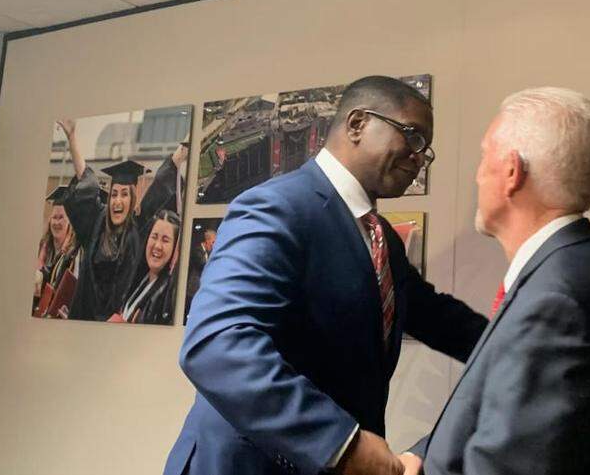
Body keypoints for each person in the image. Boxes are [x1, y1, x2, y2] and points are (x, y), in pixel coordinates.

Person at [165, 75, 488, 475]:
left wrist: (510, 342)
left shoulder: (381, 236)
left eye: (427, 148)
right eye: (412, 137)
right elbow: (217, 345)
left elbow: (434, 315)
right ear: (356, 124)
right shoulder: (277, 208)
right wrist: (340, 444)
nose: (420, 157)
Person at [401, 88, 590, 475]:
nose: (476, 174)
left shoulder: (556, 301)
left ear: (511, 172)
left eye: (484, 155)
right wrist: (424, 455)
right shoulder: (571, 269)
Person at [56, 119, 186, 321]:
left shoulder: (138, 227)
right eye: (114, 193)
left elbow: (158, 188)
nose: (118, 200)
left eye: (125, 194)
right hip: (82, 322)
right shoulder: (95, 225)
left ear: (133, 199)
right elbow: (86, 182)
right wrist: (72, 138)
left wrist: (181, 152)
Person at [115, 209, 181, 325]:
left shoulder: (167, 299)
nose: (157, 246)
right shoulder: (138, 278)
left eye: (165, 240)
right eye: (154, 237)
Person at [33, 185, 81, 317]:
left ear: (69, 222)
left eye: (61, 218)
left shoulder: (72, 255)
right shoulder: (41, 247)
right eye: (54, 217)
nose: (57, 222)